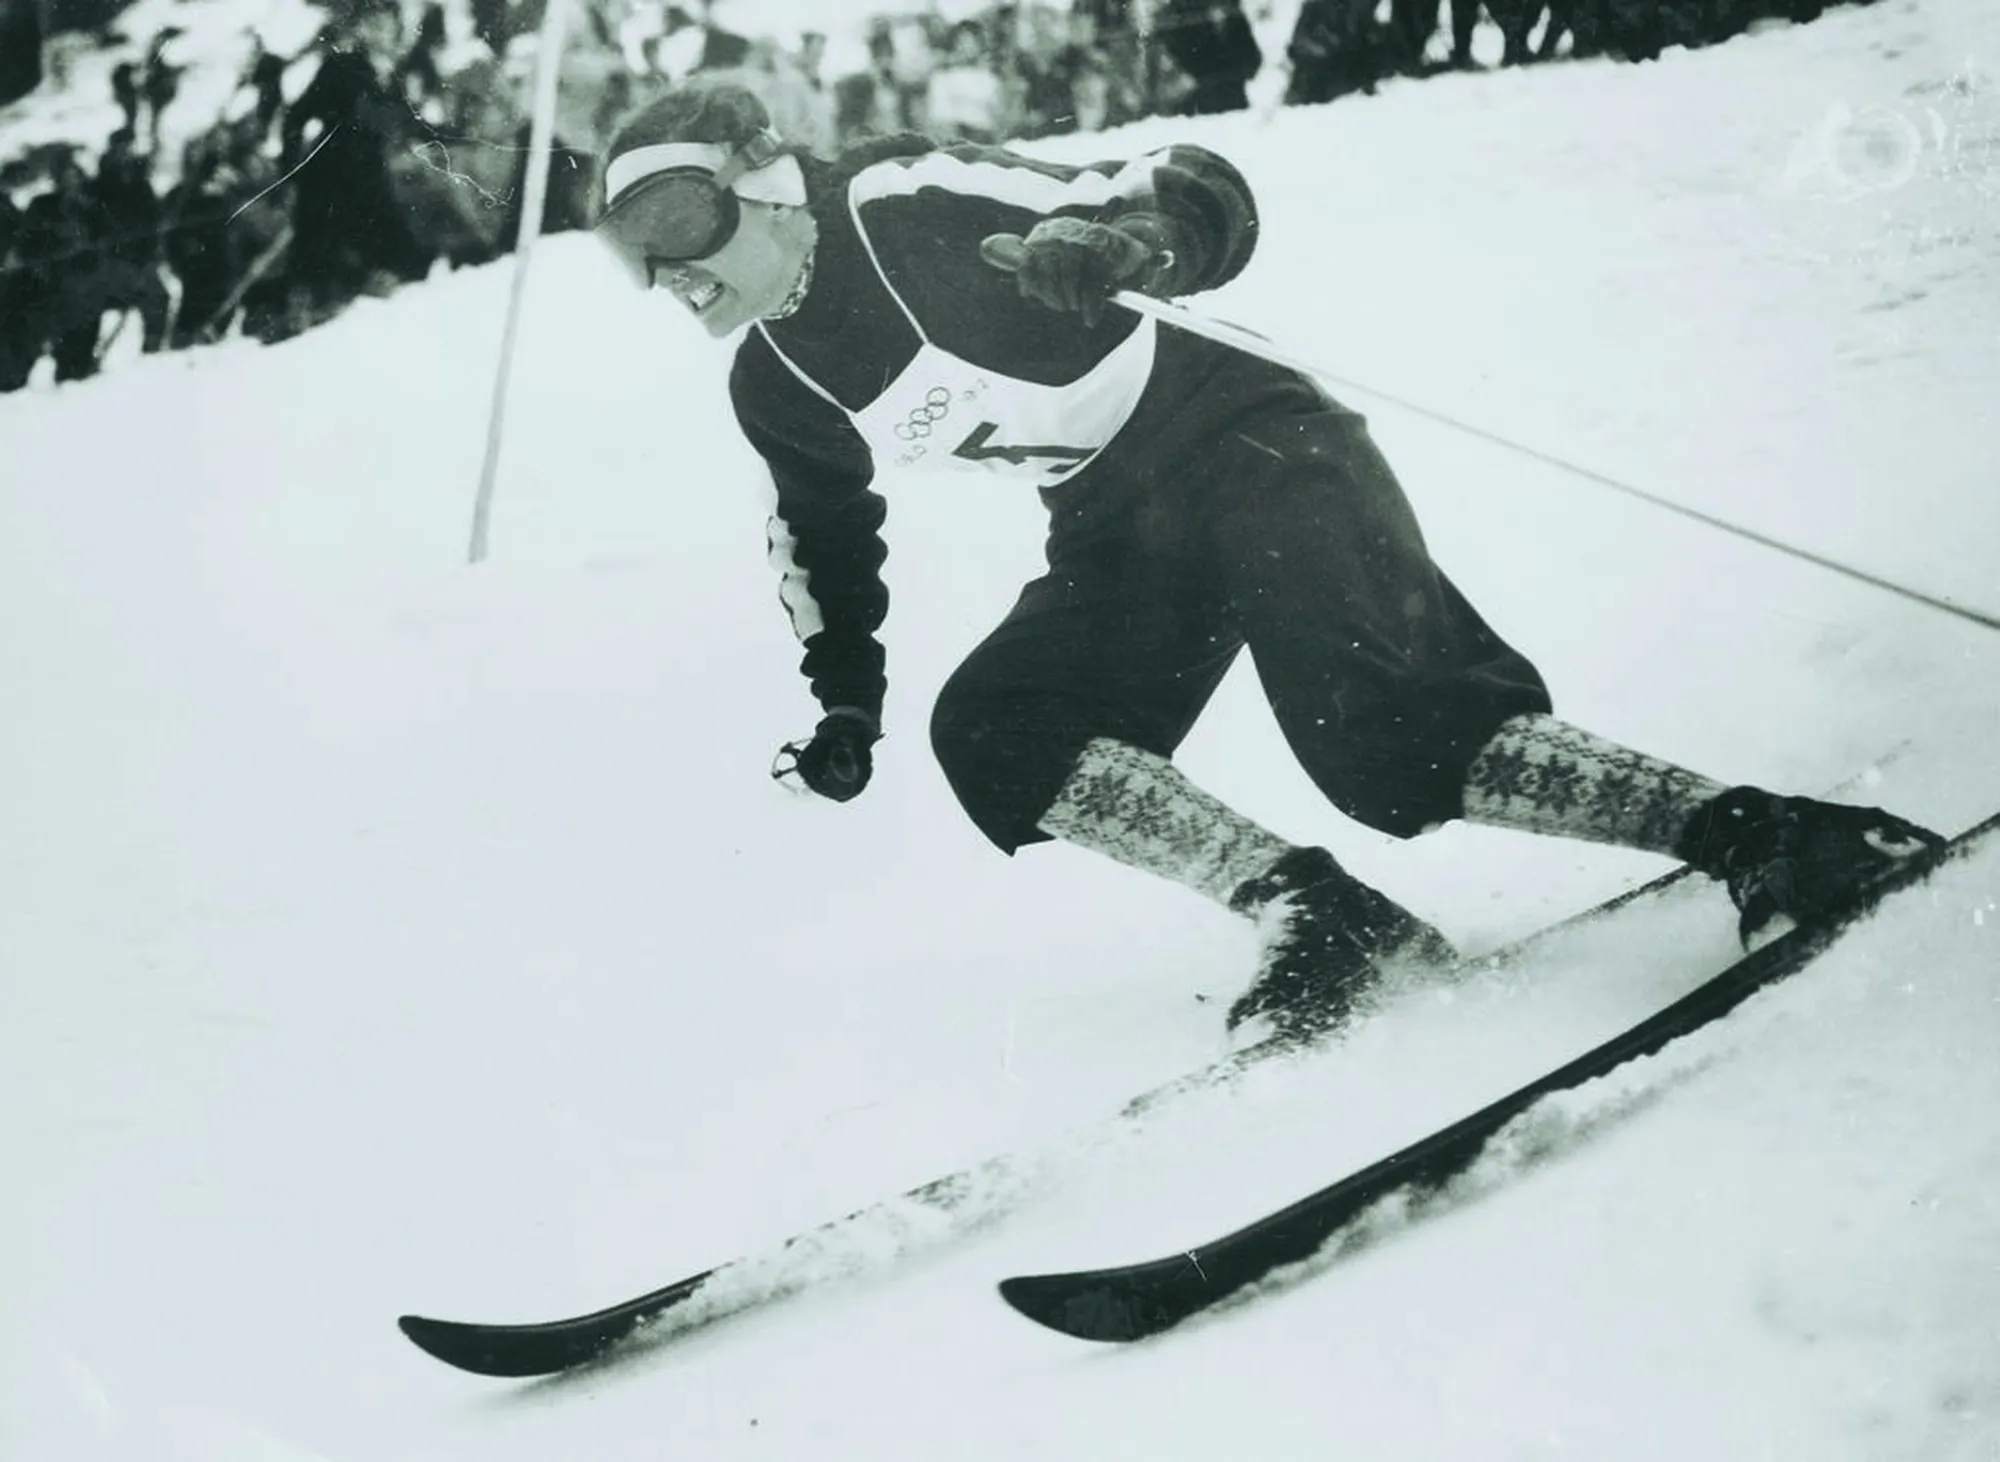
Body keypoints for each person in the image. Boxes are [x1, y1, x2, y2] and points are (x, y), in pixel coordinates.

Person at [589, 80, 1945, 1047]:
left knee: (1392, 740)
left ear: (766, 181)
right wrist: (843, 705)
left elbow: (1173, 185)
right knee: (998, 726)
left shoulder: (898, 200)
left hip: (1252, 438)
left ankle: (1773, 836)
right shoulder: (777, 386)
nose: (664, 277)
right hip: (1120, 521)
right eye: (628, 250)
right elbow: (825, 547)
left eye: (675, 221)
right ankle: (1321, 916)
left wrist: (1125, 241)